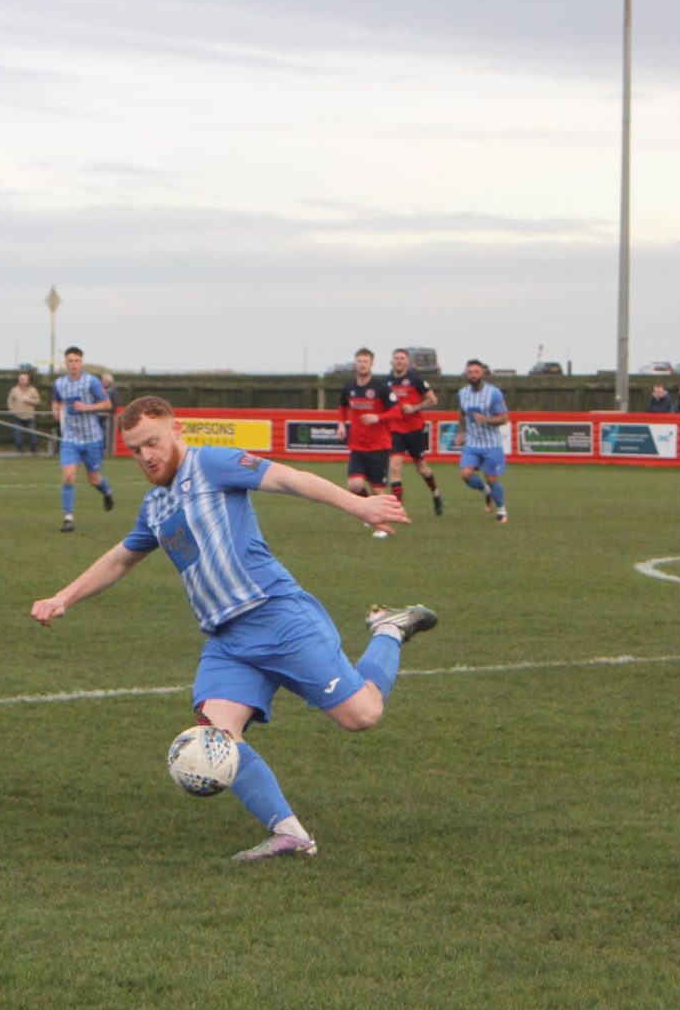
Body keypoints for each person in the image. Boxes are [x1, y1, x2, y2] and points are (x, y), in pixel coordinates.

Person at [29, 396, 434, 862]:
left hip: (277, 617)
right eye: (135, 450)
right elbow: (122, 558)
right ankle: (289, 833)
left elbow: (288, 477)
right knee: (217, 732)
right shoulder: (156, 505)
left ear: (176, 430)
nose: (146, 457)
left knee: (361, 715)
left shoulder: (212, 464)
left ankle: (388, 630)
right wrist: (63, 597)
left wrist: (358, 505)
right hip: (227, 640)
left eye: (152, 444)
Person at [52, 346, 114, 532]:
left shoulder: (91, 382)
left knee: (94, 480)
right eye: (70, 361)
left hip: (92, 438)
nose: (74, 365)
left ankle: (107, 491)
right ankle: (68, 519)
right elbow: (56, 399)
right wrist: (55, 409)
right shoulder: (60, 383)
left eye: (77, 361)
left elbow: (107, 403)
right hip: (71, 439)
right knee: (69, 476)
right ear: (65, 363)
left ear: (82, 362)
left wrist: (86, 407)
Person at [339, 347, 398, 537]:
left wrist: (378, 417)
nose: (362, 364)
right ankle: (368, 511)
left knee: (378, 488)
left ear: (371, 364)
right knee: (354, 486)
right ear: (355, 363)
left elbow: (397, 411)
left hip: (378, 445)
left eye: (365, 361)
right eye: (359, 361)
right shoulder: (349, 387)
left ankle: (383, 524)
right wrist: (341, 423)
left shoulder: (381, 388)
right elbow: (342, 406)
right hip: (357, 444)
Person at [384, 347, 445, 516]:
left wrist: (415, 407)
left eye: (402, 358)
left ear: (408, 362)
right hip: (395, 430)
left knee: (421, 468)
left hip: (414, 430)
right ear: (391, 361)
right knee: (395, 468)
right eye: (396, 358)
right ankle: (399, 508)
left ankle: (436, 492)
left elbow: (433, 400)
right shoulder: (386, 382)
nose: (399, 361)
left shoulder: (415, 379)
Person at [455, 358, 509, 523]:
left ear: (482, 373)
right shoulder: (462, 393)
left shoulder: (494, 393)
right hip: (472, 443)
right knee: (465, 474)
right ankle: (485, 491)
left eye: (476, 371)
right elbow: (462, 414)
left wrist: (485, 420)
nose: (473, 375)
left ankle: (501, 510)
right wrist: (461, 432)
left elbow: (503, 418)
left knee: (492, 479)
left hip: (491, 444)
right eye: (470, 372)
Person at [5, 371, 42, 454]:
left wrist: (29, 400)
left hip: (30, 416)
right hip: (18, 416)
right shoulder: (14, 390)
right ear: (19, 380)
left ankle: (33, 450)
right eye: (21, 379)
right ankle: (20, 451)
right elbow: (10, 401)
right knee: (18, 435)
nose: (23, 381)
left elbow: (38, 401)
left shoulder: (33, 390)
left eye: (25, 379)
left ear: (28, 380)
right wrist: (12, 410)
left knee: (33, 434)